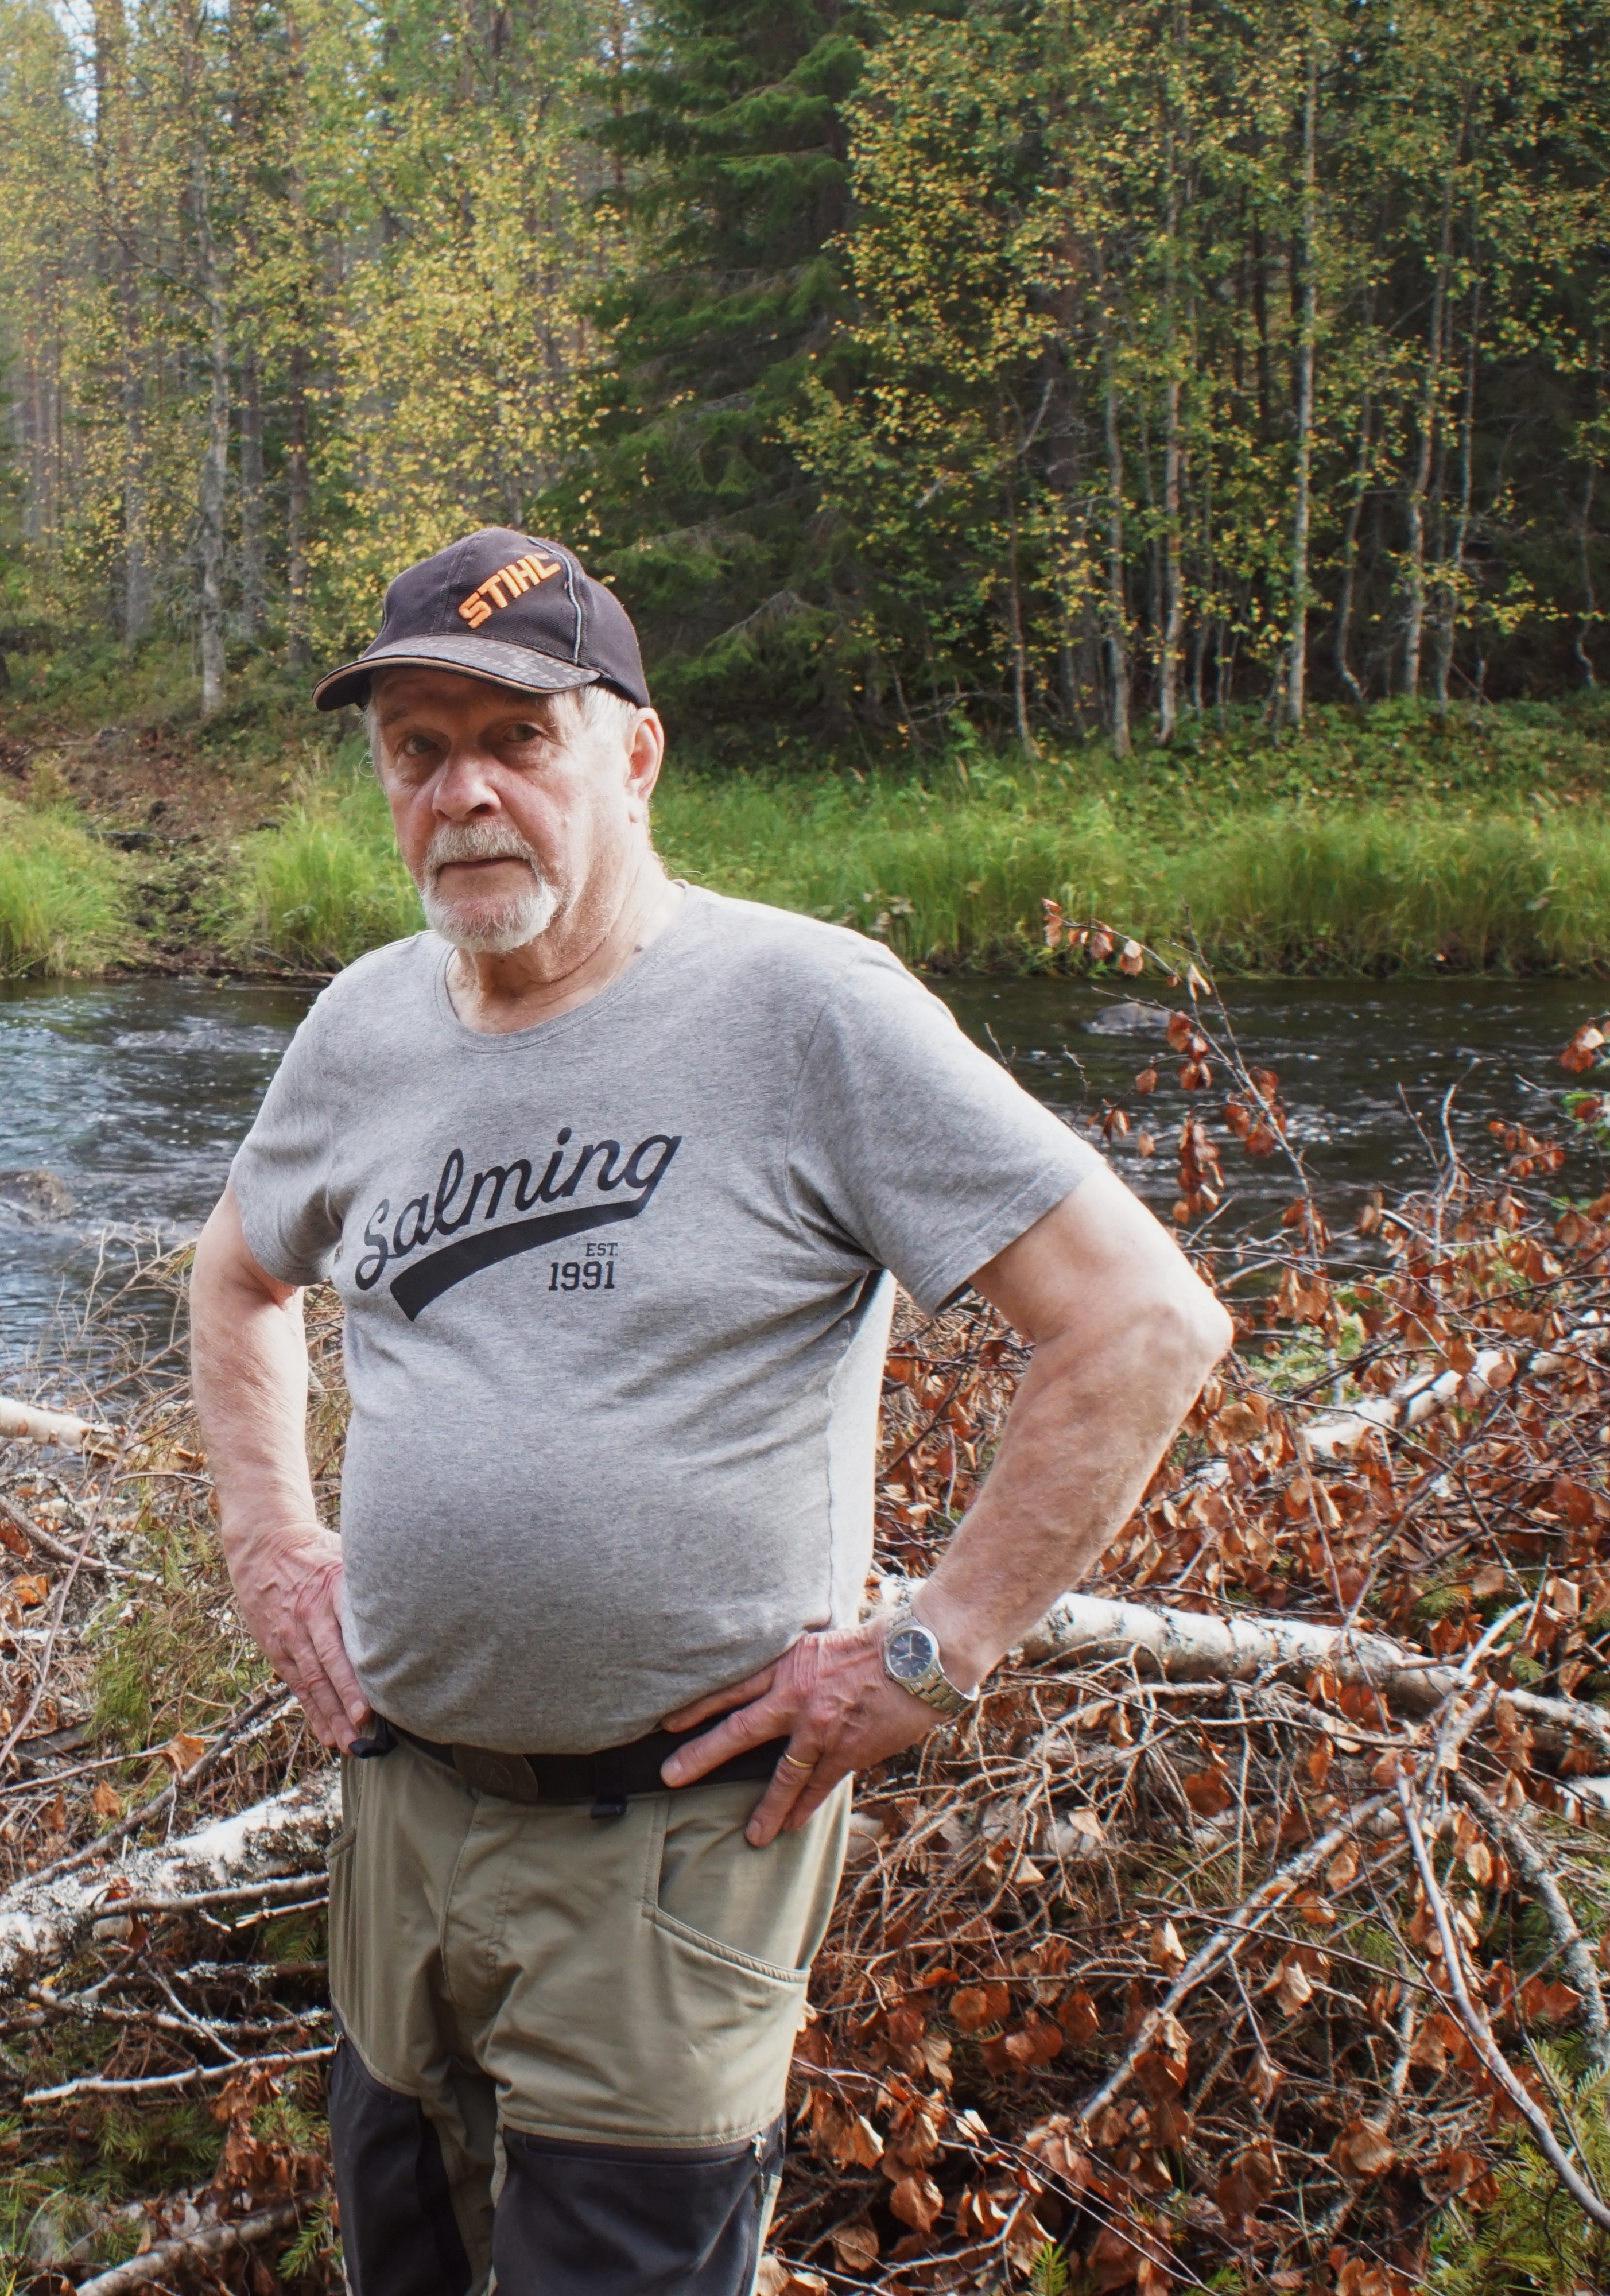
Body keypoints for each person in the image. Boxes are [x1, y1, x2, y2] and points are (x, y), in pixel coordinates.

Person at [191, 528, 1233, 2294]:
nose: (464, 792)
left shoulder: (800, 1009)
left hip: (673, 1846)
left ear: (635, 754)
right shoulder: (366, 1027)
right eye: (418, 748)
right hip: (402, 1815)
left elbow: (1142, 1325)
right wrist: (271, 1537)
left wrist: (931, 1654)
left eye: (518, 740)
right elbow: (237, 1275)